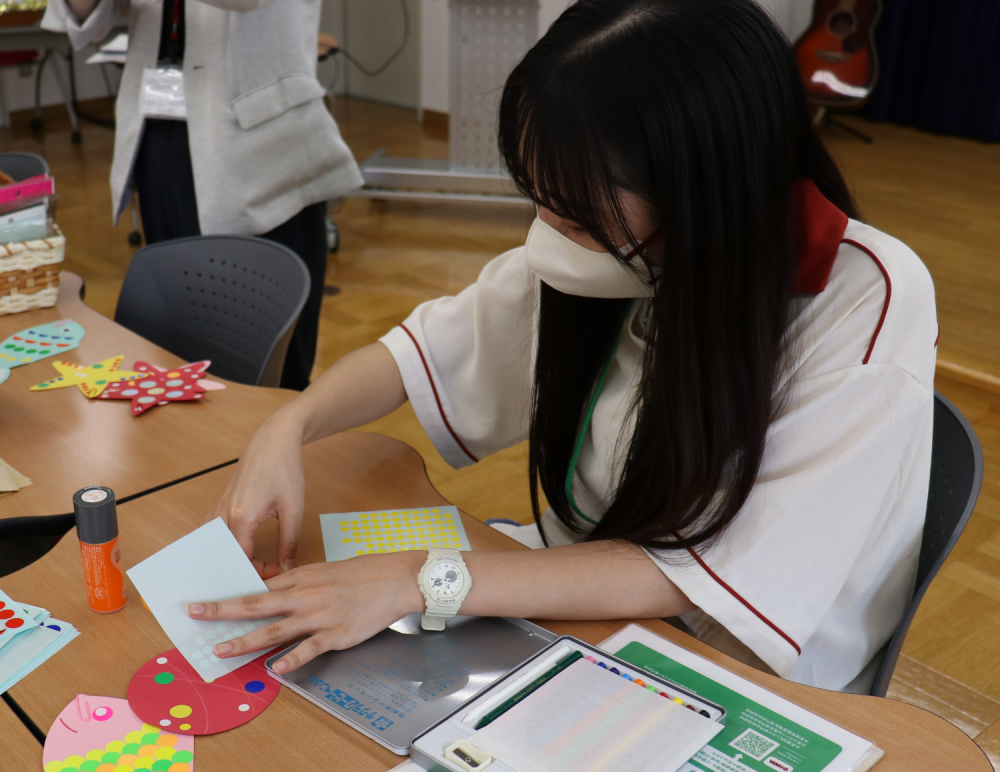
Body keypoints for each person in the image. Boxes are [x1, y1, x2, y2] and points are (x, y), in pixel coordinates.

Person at [187, 0, 936, 693]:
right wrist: (286, 427)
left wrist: (425, 580)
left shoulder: (864, 299)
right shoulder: (617, 250)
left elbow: (694, 580)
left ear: (702, 196)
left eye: (577, 223)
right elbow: (413, 353)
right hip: (578, 592)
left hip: (736, 668)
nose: (547, 244)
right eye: (540, 204)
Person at [42, 0, 363, 390]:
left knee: (269, 356)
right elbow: (84, 22)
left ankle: (281, 440)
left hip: (259, 141)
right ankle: (199, 442)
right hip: (159, 131)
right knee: (180, 334)